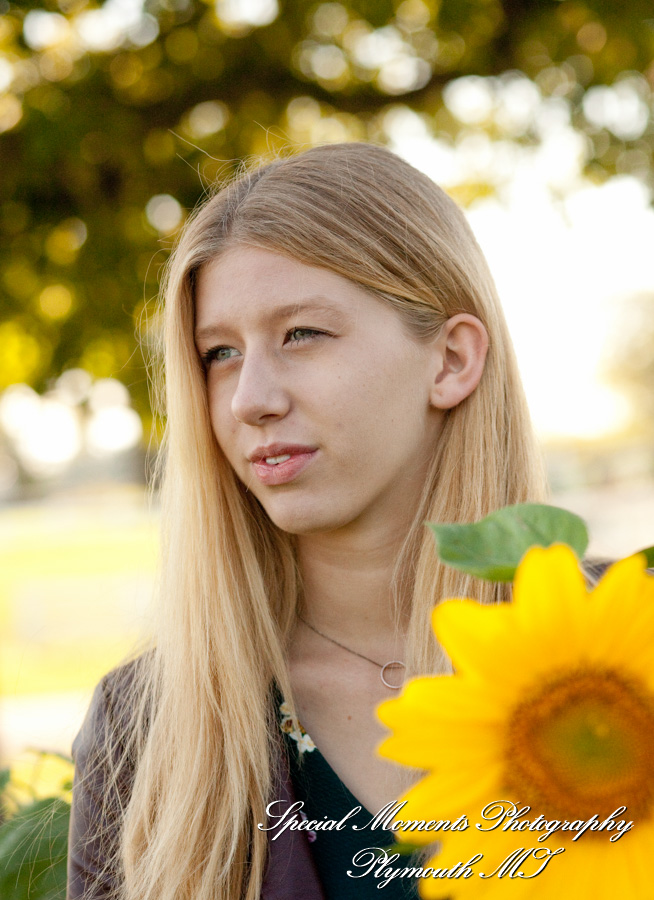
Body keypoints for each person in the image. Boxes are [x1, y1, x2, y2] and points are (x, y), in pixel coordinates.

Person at [67, 141, 549, 900]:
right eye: (219, 353)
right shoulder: (149, 726)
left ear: (452, 360)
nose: (249, 398)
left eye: (301, 334)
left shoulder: (622, 653)